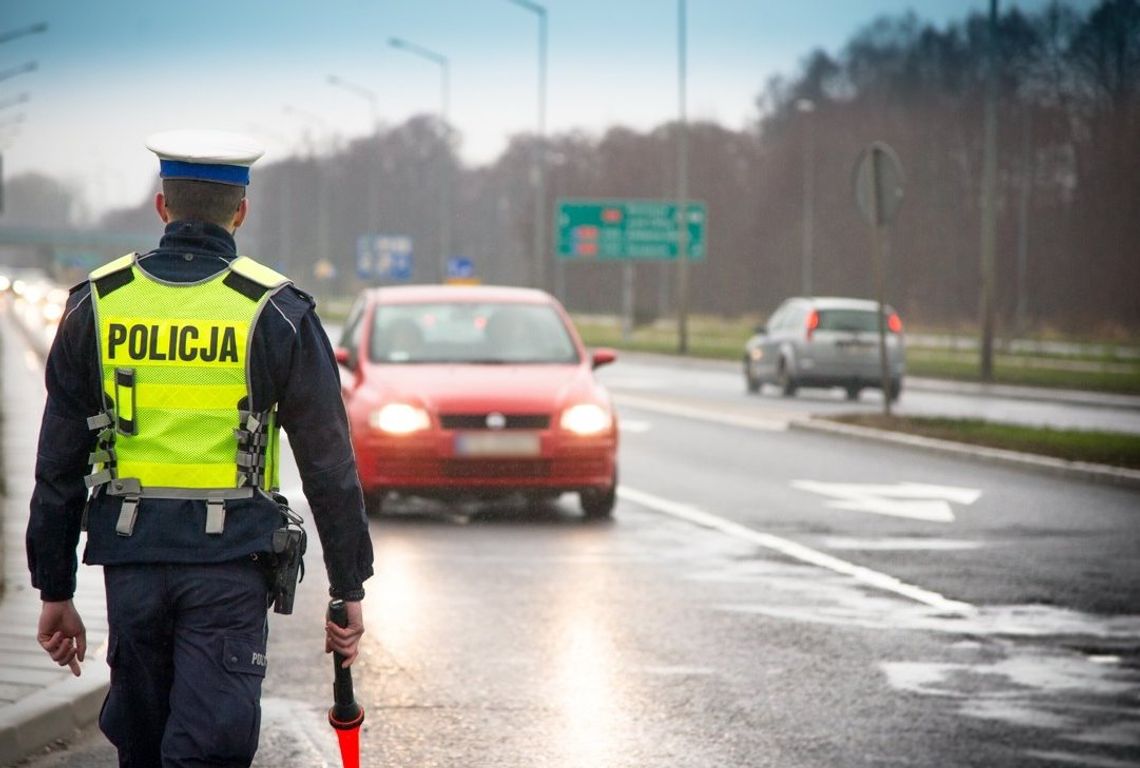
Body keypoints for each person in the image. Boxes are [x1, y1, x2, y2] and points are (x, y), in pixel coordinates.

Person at [26, 129, 374, 766]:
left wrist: (55, 589)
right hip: (229, 567)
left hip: (130, 564)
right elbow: (330, 466)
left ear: (162, 206)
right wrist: (347, 585)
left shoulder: (98, 303)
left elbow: (57, 466)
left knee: (146, 745)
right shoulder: (276, 311)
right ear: (240, 212)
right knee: (208, 747)